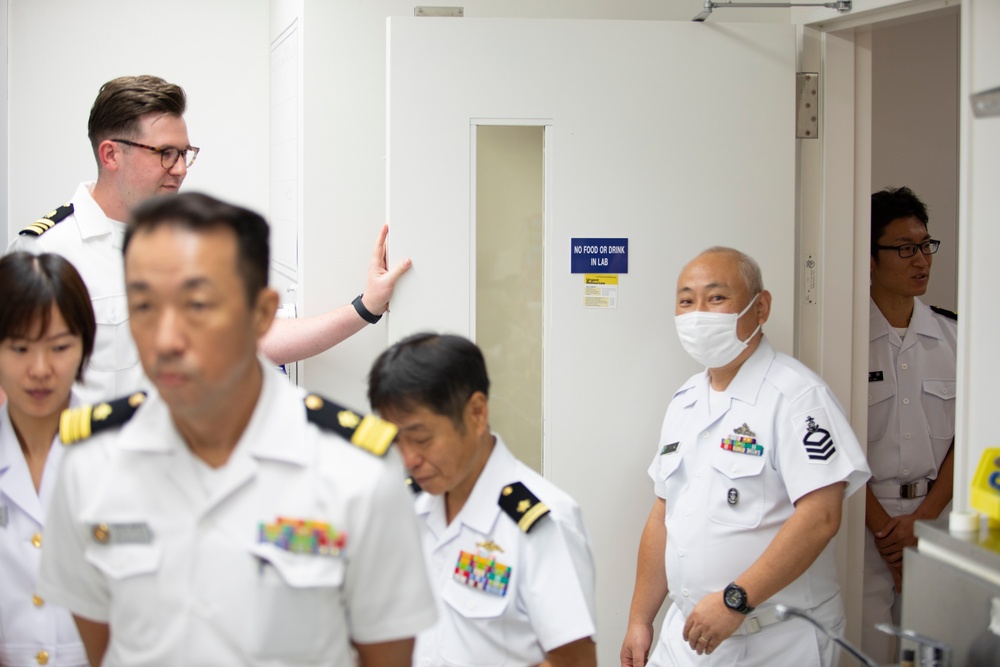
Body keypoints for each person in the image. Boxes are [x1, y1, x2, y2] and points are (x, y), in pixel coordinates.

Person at [36, 193, 436, 666]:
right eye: (144, 306)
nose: (165, 338)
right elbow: (103, 647)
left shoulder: (356, 472)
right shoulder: (90, 462)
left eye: (197, 306)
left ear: (262, 314)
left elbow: (385, 655)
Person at [7, 74, 409, 404]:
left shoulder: (186, 248)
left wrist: (366, 306)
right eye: (165, 153)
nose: (181, 169)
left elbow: (253, 338)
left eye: (185, 153)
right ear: (111, 155)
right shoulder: (46, 253)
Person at [620, 247, 870, 667]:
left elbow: (821, 516)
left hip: (773, 641)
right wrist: (639, 619)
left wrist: (736, 600)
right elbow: (664, 513)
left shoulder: (797, 397)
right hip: (686, 637)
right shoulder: (685, 401)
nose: (699, 313)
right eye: (686, 300)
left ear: (761, 307)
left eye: (716, 298)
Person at [367, 333, 598, 667]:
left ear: (476, 413)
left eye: (421, 438)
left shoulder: (542, 522)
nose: (409, 458)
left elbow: (574, 662)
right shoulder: (409, 505)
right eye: (396, 441)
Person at [863, 186, 957, 663]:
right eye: (904, 248)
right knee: (867, 652)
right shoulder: (845, 340)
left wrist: (922, 521)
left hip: (937, 521)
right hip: (862, 526)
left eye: (925, 246)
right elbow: (831, 450)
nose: (920, 260)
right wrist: (889, 539)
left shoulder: (955, 337)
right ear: (870, 258)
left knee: (937, 652)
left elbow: (971, 440)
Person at [0, 252, 96, 666]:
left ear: (84, 346)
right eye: (20, 348)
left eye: (59, 347)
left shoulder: (120, 454)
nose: (40, 369)